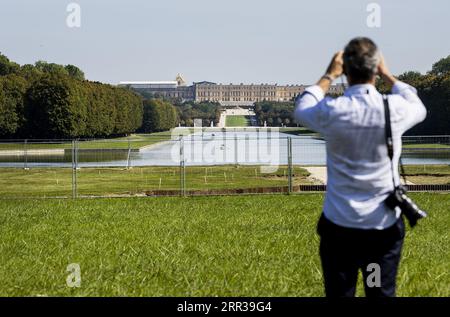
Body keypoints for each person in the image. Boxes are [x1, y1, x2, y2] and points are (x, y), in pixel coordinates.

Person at [294, 37, 427, 297]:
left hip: (339, 226)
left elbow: (303, 107)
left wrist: (327, 76)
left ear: (344, 71)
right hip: (382, 227)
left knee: (340, 294)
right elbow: (417, 103)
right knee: (379, 292)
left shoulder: (333, 110)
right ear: (375, 68)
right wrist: (388, 75)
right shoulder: (395, 109)